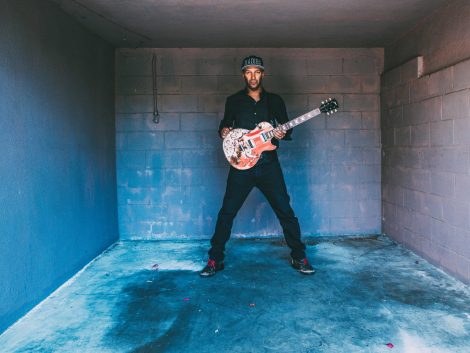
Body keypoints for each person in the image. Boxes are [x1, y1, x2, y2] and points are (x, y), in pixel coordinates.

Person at [200, 55, 315, 277]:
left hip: (268, 165)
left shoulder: (275, 101)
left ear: (263, 74)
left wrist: (283, 131)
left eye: (257, 72)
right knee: (227, 212)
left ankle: (299, 256)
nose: (253, 76)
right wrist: (223, 131)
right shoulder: (233, 101)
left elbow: (286, 128)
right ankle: (215, 259)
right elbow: (226, 125)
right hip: (241, 166)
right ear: (243, 74)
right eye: (248, 72)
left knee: (285, 211)